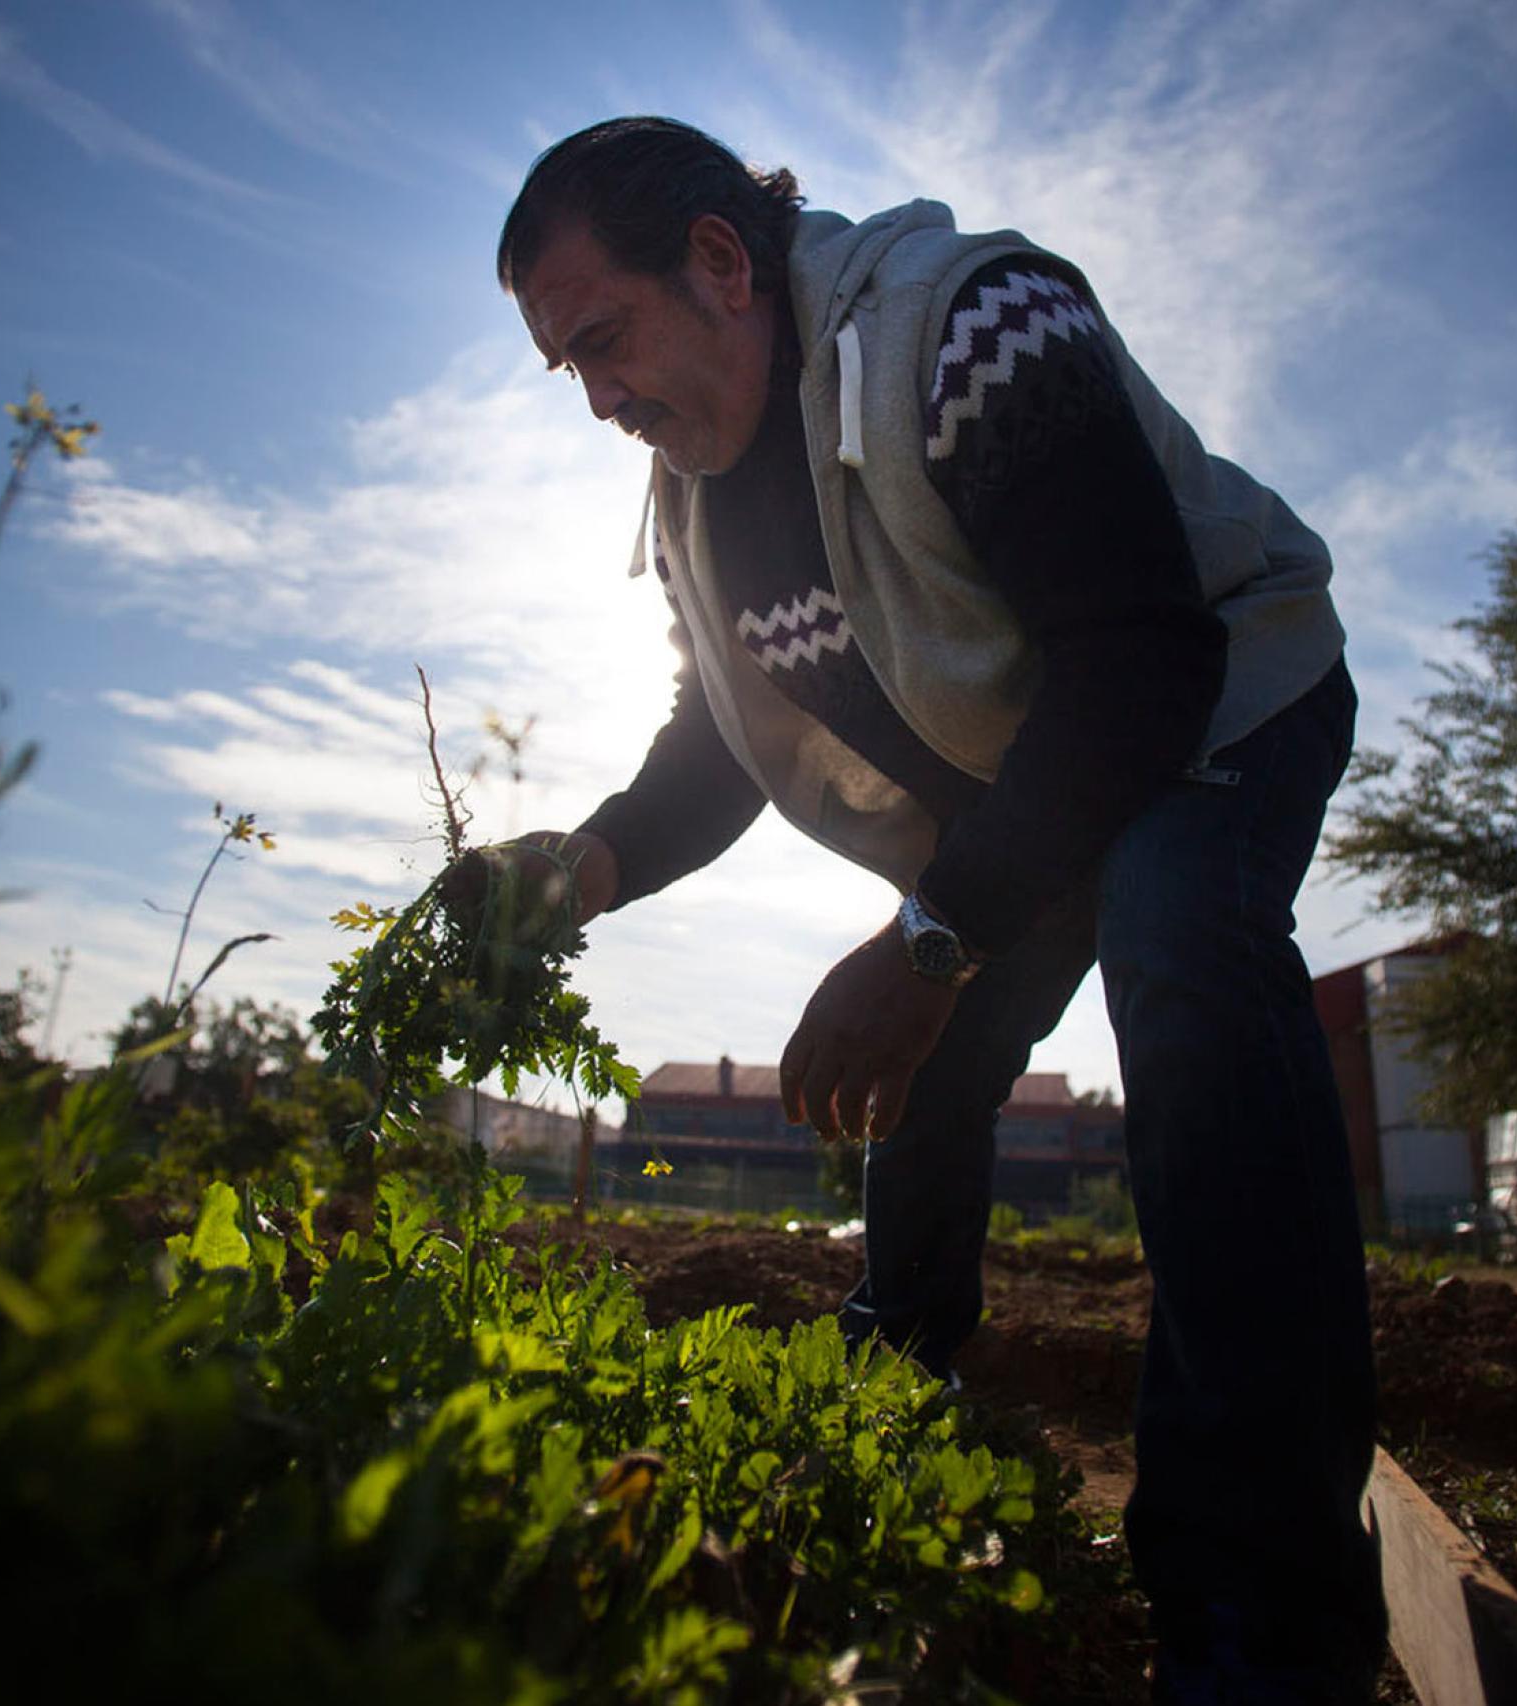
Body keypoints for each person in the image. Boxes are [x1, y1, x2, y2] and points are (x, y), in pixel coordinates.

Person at [488, 116, 1385, 1703]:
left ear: (716, 260)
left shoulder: (965, 329)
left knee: (1179, 957)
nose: (602, 397)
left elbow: (1137, 666)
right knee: (928, 1071)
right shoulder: (697, 496)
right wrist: (589, 862)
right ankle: (894, 1365)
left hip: (1211, 690)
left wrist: (930, 934)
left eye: (604, 340)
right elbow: (720, 738)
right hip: (1031, 771)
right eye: (571, 371)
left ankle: (1265, 1609)